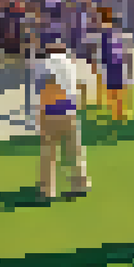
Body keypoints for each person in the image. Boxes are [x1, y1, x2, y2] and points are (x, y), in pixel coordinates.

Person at [37, 43, 91, 201]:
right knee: (75, 151)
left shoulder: (46, 65)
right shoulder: (70, 65)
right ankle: (81, 183)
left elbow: (47, 91)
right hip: (70, 112)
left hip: (52, 113)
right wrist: (81, 104)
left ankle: (48, 190)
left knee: (49, 153)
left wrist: (41, 115)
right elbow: (82, 85)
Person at [94, 9, 129, 122]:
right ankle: (120, 113)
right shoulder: (116, 32)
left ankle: (117, 115)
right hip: (118, 64)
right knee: (118, 91)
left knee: (113, 92)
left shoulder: (105, 33)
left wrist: (101, 64)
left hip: (111, 65)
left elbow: (105, 51)